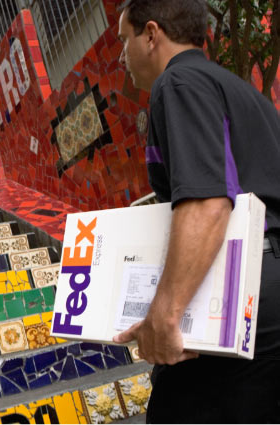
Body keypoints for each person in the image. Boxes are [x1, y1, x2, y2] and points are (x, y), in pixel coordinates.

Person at [113, 0, 280, 422]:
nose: (121, 55)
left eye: (124, 40)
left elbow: (207, 202)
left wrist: (165, 314)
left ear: (151, 34)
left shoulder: (178, 83)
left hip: (246, 293)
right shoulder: (241, 91)